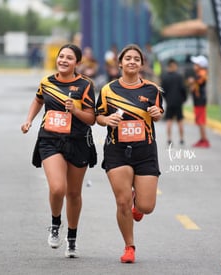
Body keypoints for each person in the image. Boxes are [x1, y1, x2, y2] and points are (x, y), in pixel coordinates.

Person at [21, 44, 97, 258]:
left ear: (77, 63)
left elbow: (91, 119)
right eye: (61, 56)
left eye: (69, 58)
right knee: (57, 188)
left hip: (78, 142)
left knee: (74, 193)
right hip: (50, 139)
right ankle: (55, 223)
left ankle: (71, 239)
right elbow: (38, 100)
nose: (63, 60)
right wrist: (28, 121)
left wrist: (75, 110)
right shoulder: (47, 82)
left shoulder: (85, 85)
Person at [96, 44, 163, 264]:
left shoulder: (152, 89)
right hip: (117, 150)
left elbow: (158, 114)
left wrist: (156, 113)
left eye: (136, 59)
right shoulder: (108, 89)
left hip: (145, 150)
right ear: (120, 63)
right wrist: (107, 120)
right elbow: (99, 117)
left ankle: (138, 202)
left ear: (141, 64)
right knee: (122, 202)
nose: (132, 62)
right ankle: (129, 246)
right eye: (128, 58)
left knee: (146, 207)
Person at [160, 58, 187, 146]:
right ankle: (182, 139)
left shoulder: (165, 77)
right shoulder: (179, 77)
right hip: (178, 101)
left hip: (170, 102)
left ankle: (169, 139)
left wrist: (167, 98)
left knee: (169, 120)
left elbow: (162, 90)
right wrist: (184, 99)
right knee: (180, 120)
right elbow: (183, 89)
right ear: (174, 66)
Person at [188, 55, 210, 148]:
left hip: (200, 100)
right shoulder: (199, 74)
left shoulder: (202, 73)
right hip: (198, 101)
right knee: (199, 121)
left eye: (196, 64)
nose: (194, 66)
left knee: (201, 121)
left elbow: (198, 82)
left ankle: (205, 140)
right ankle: (202, 139)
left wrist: (193, 81)